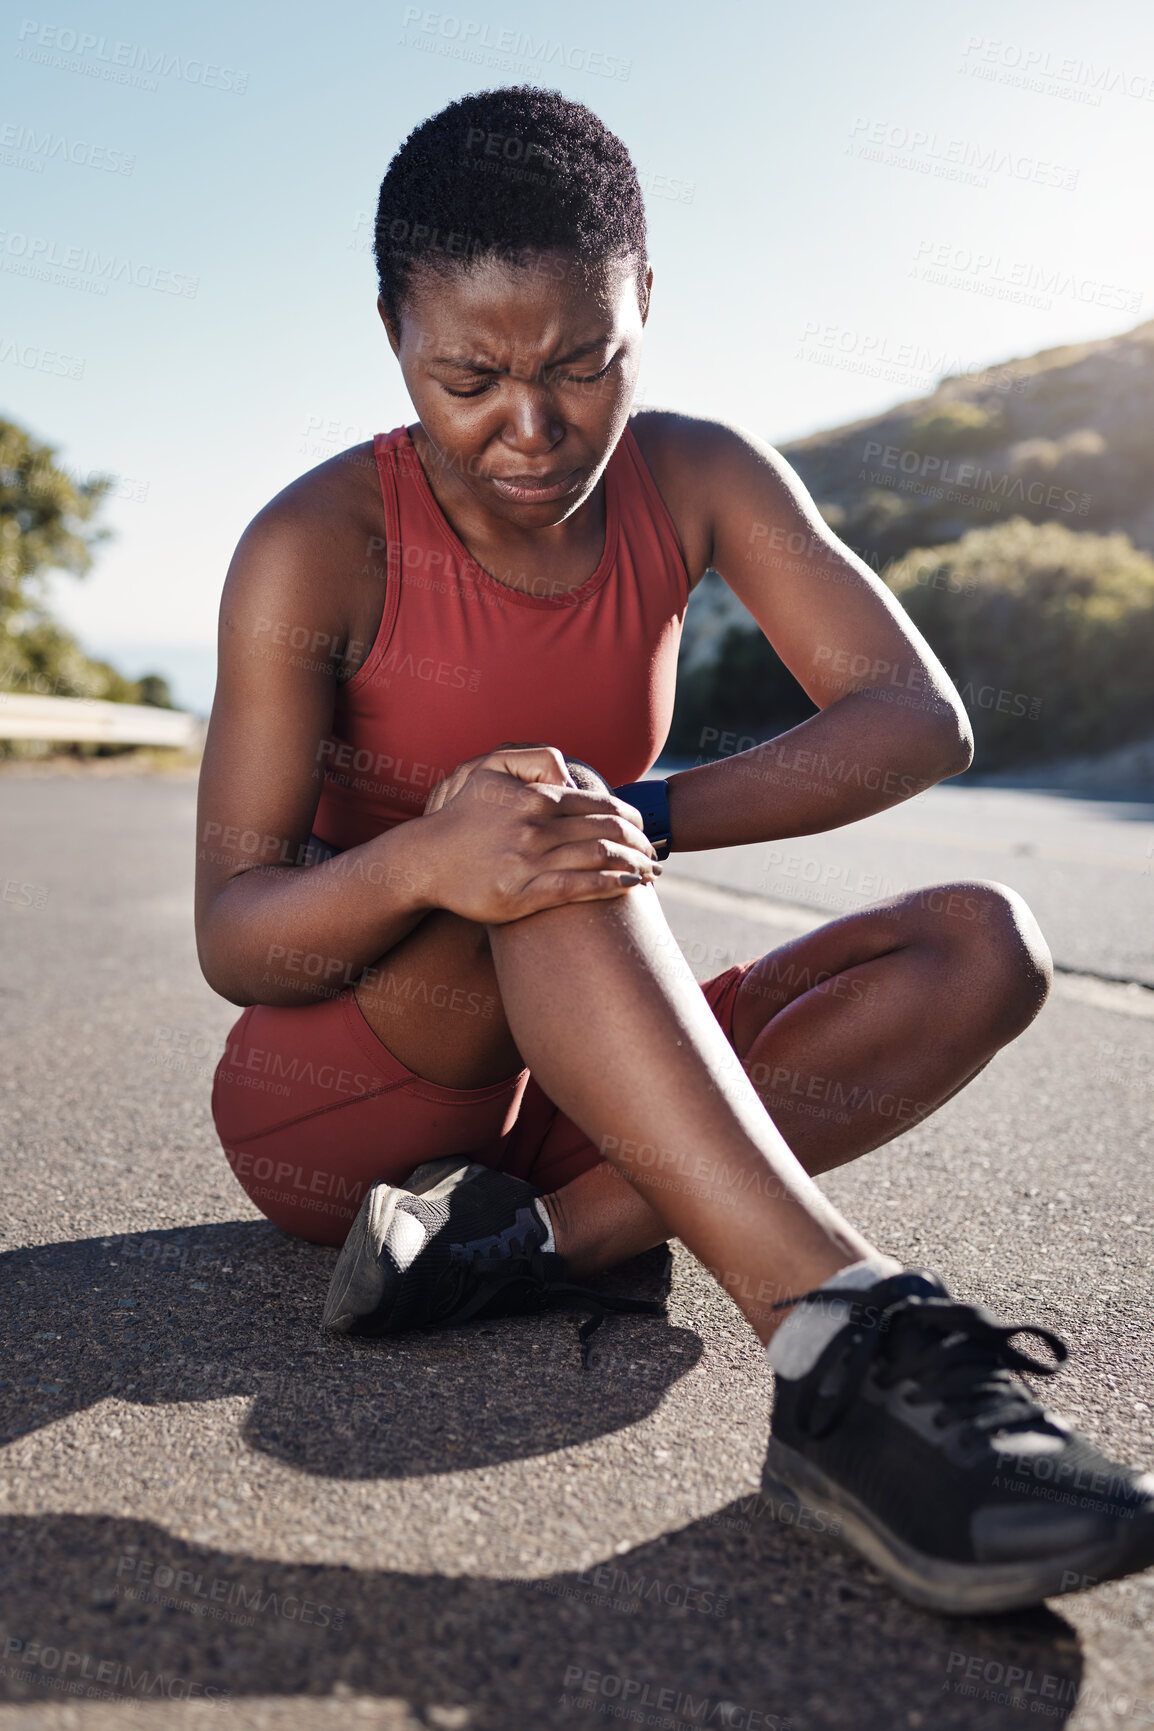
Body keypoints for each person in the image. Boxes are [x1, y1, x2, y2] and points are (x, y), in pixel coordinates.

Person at [195, 85, 1154, 1615]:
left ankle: (530, 1247)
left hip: (589, 1081)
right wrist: (439, 859)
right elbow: (235, 933)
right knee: (547, 820)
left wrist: (645, 812)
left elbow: (914, 718)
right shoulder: (318, 542)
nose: (533, 426)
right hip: (356, 1094)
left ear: (646, 305)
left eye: (585, 363)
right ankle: (843, 1350)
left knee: (982, 945)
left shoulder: (698, 473)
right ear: (393, 337)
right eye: (470, 379)